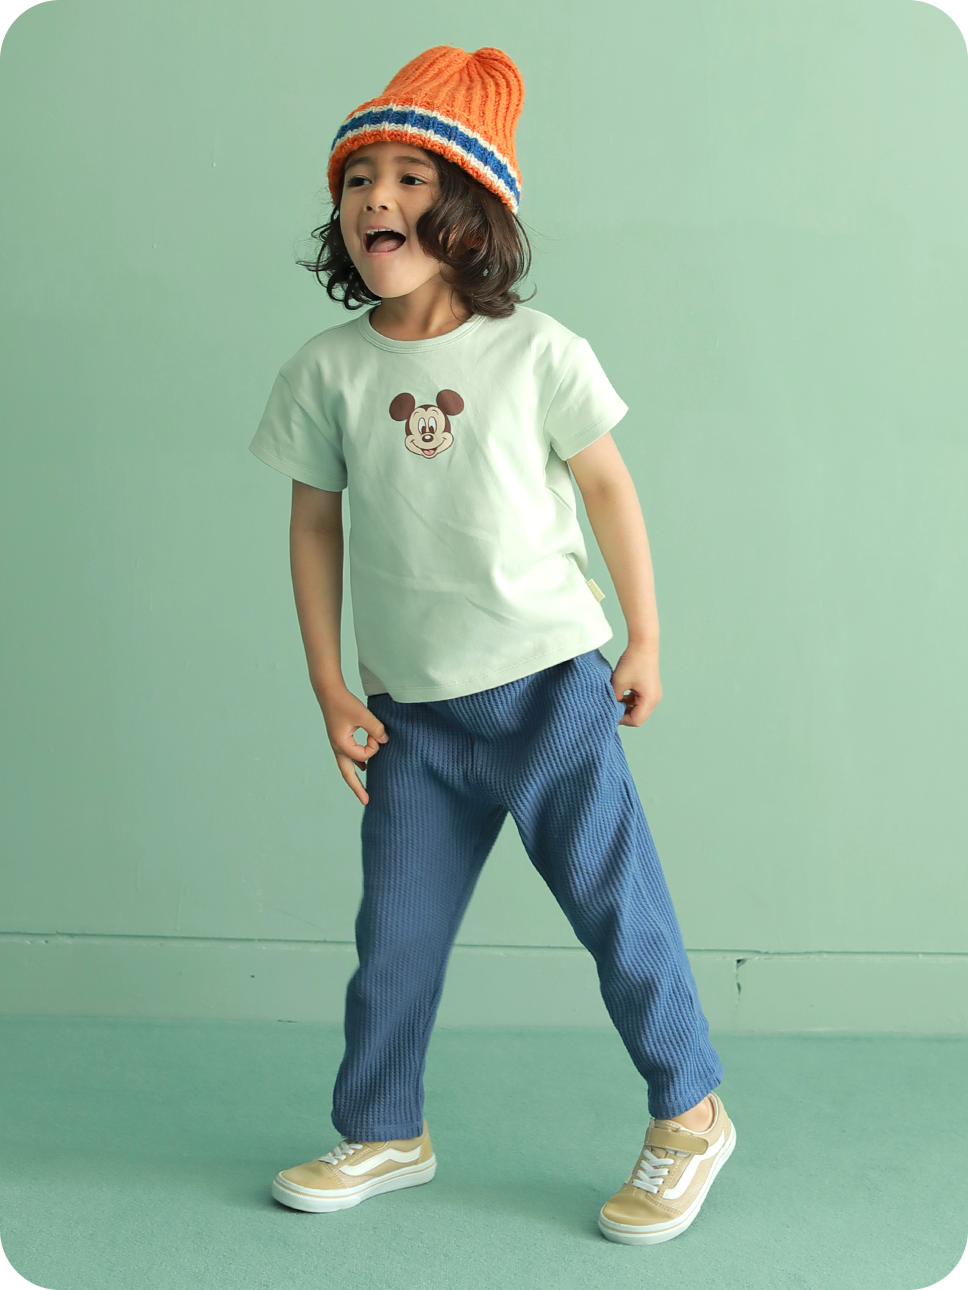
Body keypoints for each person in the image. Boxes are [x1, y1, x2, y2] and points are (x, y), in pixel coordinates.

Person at [247, 45, 735, 1245]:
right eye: (357, 178)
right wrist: (326, 684)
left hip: (548, 689)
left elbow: (607, 487)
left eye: (409, 176)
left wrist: (644, 638)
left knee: (616, 911)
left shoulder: (537, 352)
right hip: (410, 713)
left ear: (468, 207)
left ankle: (689, 1113)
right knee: (393, 938)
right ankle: (383, 1128)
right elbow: (313, 527)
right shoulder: (328, 371)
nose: (376, 197)